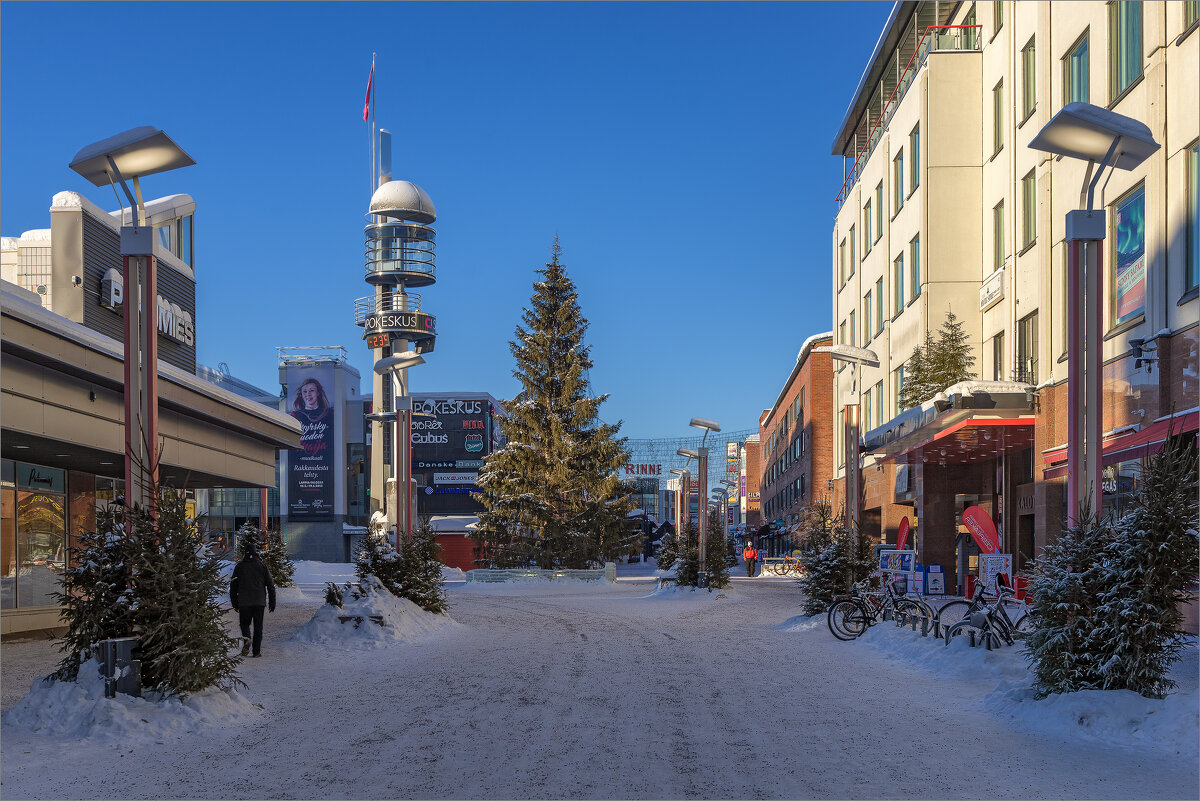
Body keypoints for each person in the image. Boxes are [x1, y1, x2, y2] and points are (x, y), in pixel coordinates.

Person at [230, 538, 276, 658]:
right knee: (258, 627)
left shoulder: (239, 566)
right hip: (259, 602)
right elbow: (270, 585)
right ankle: (256, 652)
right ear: (256, 553)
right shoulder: (262, 566)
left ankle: (247, 639)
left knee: (244, 624)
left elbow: (233, 586)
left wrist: (234, 602)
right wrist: (272, 601)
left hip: (244, 602)